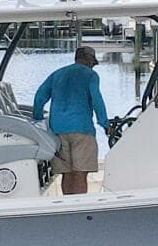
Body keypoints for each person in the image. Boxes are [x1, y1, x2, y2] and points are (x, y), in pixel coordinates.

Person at [32, 46, 110, 195]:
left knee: (66, 173)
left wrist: (38, 120)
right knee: (80, 172)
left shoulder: (57, 74)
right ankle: (80, 204)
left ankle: (67, 203)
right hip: (82, 130)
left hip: (57, 131)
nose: (93, 66)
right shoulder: (91, 75)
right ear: (89, 59)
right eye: (93, 62)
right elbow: (97, 100)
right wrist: (105, 124)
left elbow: (39, 97)